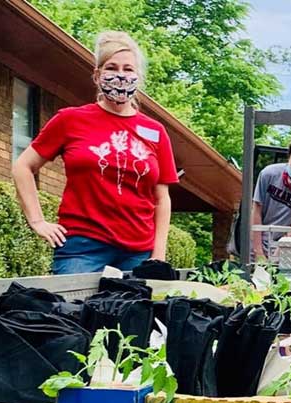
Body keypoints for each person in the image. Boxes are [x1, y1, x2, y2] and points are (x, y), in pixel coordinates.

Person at [12, 31, 177, 274]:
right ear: (98, 75)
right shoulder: (70, 120)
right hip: (82, 248)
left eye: (128, 69)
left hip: (138, 252)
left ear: (138, 76)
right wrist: (37, 221)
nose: (120, 75)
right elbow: (23, 167)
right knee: (70, 311)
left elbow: (161, 198)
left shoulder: (155, 131)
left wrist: (158, 255)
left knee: (133, 312)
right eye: (112, 67)